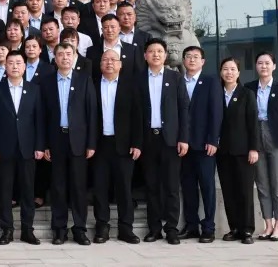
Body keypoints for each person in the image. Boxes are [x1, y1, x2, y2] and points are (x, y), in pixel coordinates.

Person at [40, 43, 97, 246]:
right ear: (54, 58)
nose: (65, 57)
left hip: (79, 141)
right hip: (56, 139)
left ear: (74, 57)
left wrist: (91, 143)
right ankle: (59, 229)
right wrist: (44, 144)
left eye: (68, 54)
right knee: (58, 187)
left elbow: (92, 113)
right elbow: (42, 115)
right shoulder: (46, 82)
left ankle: (80, 228)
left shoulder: (84, 79)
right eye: (61, 54)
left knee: (79, 187)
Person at [137, 39, 189, 244]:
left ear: (165, 55)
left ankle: (172, 228)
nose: (156, 54)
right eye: (151, 51)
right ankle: (154, 228)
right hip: (148, 139)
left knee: (171, 187)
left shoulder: (175, 78)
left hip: (171, 140)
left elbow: (184, 109)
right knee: (152, 186)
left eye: (159, 51)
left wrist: (183, 138)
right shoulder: (138, 78)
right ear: (145, 55)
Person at [0, 50, 44, 246]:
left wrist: (39, 146)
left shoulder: (34, 89)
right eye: (10, 63)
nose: (14, 66)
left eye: (18, 63)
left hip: (28, 148)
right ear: (5, 66)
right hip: (4, 148)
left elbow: (39, 120)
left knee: (28, 191)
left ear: (24, 66)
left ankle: (27, 230)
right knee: (5, 191)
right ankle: (7, 230)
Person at [90, 49, 143, 245]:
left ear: (120, 64)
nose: (109, 63)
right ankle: (102, 226)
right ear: (100, 64)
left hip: (124, 145)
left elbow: (138, 116)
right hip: (99, 144)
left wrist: (137, 143)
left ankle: (126, 228)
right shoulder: (92, 85)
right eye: (105, 59)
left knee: (124, 188)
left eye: (113, 59)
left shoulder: (131, 86)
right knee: (100, 188)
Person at [246, 51, 278, 241]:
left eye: (267, 63)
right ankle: (268, 225)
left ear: (274, 66)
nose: (263, 66)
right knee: (262, 185)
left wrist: (276, 127)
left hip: (277, 139)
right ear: (256, 66)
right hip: (255, 137)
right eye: (260, 63)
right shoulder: (249, 88)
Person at [179, 45, 223, 243]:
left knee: (207, 187)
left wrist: (213, 139)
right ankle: (191, 225)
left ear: (203, 62)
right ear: (183, 61)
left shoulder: (211, 81)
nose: (192, 60)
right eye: (188, 56)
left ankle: (209, 227)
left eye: (196, 57)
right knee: (188, 187)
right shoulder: (178, 80)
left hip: (205, 145)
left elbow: (216, 112)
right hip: (183, 145)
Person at [217, 57, 259, 245]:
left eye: (233, 69)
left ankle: (247, 229)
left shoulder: (247, 94)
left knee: (244, 191)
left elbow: (253, 123)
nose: (229, 72)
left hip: (243, 151)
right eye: (225, 69)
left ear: (239, 73)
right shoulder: (216, 93)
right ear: (220, 72)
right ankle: (234, 228)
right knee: (228, 191)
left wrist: (254, 148)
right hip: (222, 151)